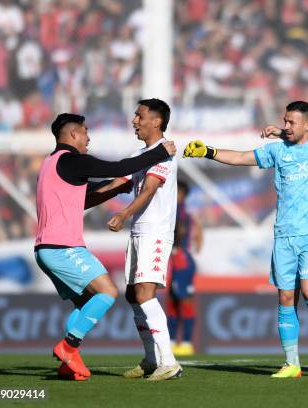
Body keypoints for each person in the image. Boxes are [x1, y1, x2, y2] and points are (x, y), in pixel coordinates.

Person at [184, 101, 308, 378]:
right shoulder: (277, 150)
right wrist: (208, 151)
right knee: (285, 297)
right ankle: (292, 363)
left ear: (307, 124)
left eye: (291, 123)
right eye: (284, 121)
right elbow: (239, 158)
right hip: (283, 235)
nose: (286, 126)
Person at [34, 113, 176, 381]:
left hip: (45, 250)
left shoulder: (51, 164)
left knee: (87, 301)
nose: (89, 138)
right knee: (108, 291)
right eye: (85, 132)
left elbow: (83, 200)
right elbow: (118, 167)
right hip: (63, 247)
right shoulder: (72, 160)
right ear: (73, 135)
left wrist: (116, 189)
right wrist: (157, 153)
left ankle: (67, 364)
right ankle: (68, 347)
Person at [100, 98, 182, 381]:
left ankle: (168, 361)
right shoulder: (141, 154)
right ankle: (150, 359)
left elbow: (148, 190)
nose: (134, 121)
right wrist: (81, 200)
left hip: (155, 232)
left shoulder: (165, 152)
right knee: (133, 295)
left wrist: (122, 214)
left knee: (146, 293)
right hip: (138, 233)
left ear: (157, 121)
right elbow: (116, 183)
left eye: (140, 116)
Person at [167, 180, 202, 356]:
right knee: (173, 301)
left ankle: (187, 343)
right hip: (178, 258)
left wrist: (178, 248)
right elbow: (197, 231)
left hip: (181, 259)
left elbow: (180, 229)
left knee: (184, 300)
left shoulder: (178, 210)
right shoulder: (183, 212)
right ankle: (173, 342)